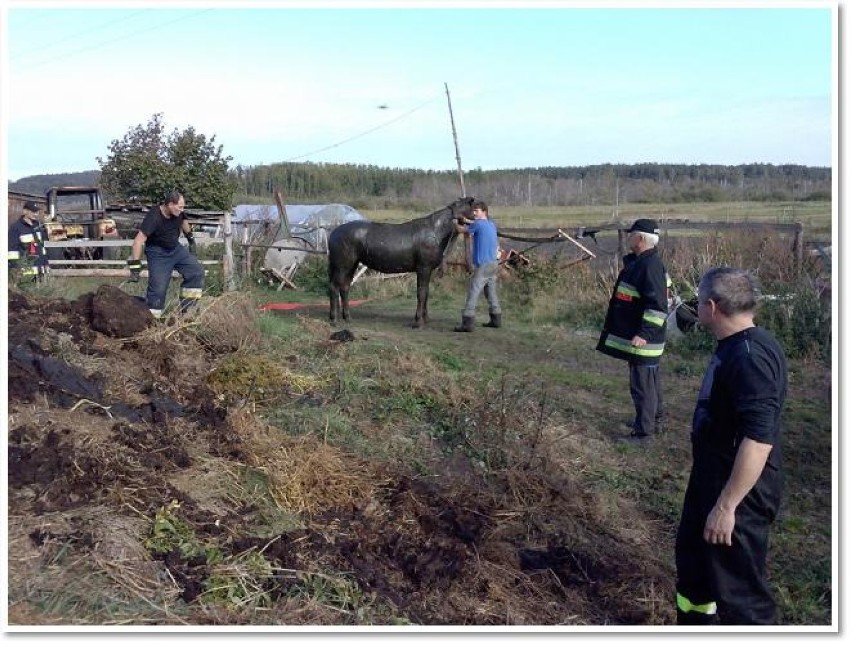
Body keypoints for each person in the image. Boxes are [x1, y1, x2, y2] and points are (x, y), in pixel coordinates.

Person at [675, 268, 787, 625]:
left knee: (740, 593)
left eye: (698, 300)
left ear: (711, 307)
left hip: (739, 494)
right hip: (711, 481)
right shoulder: (737, 345)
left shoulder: (750, 357)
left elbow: (758, 439)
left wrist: (726, 506)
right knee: (696, 573)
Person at [596, 218, 668, 441]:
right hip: (646, 338)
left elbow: (658, 306)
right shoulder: (643, 263)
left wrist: (644, 334)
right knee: (650, 381)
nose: (628, 238)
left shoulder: (649, 266)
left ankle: (643, 434)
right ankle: (655, 420)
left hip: (645, 340)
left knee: (642, 387)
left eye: (631, 234)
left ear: (641, 238)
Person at [127, 190, 203, 318]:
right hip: (158, 253)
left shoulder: (178, 212)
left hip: (175, 249)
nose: (182, 210)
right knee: (158, 291)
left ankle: (188, 312)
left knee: (196, 272)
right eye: (180, 207)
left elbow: (184, 221)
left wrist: (191, 239)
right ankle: (151, 321)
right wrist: (135, 267)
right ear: (170, 204)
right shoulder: (154, 217)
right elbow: (138, 241)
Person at [453, 199, 502, 332]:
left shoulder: (478, 224)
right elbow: (473, 224)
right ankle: (496, 319)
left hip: (483, 264)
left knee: (473, 291)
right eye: (473, 211)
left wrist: (455, 222)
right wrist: (466, 220)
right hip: (493, 263)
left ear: (484, 212)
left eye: (476, 211)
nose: (474, 213)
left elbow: (463, 230)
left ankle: (467, 322)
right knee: (490, 292)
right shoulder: (491, 224)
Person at [8, 200, 49, 282]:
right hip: (25, 272)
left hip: (41, 270)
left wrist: (46, 263)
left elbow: (42, 247)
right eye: (33, 211)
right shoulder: (15, 228)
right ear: (25, 211)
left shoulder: (38, 226)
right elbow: (12, 251)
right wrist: (16, 268)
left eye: (37, 212)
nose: (36, 214)